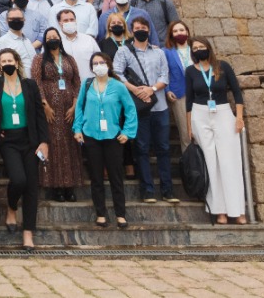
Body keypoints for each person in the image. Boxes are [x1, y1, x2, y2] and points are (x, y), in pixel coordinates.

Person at [0, 49, 48, 251]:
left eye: (10, 60)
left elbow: (40, 115)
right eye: (3, 60)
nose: (7, 63)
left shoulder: (30, 85)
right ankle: (12, 206)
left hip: (30, 139)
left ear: (16, 62)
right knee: (18, 179)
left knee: (31, 186)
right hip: (8, 141)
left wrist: (44, 142)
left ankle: (28, 233)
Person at [113, 13, 175, 203]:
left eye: (144, 29)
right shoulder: (124, 51)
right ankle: (147, 190)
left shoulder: (159, 52)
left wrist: (152, 89)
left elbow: (165, 76)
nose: (141, 31)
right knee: (141, 148)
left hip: (160, 106)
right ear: (131, 31)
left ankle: (168, 190)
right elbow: (116, 73)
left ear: (149, 31)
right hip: (139, 108)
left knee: (164, 148)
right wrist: (135, 90)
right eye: (137, 29)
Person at [185, 37, 247, 224]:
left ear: (209, 48)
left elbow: (236, 93)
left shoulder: (223, 67)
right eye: (195, 48)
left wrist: (239, 117)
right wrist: (189, 127)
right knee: (211, 163)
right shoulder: (190, 71)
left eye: (201, 47)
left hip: (222, 111)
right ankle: (219, 211)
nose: (198, 50)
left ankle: (238, 210)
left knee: (230, 161)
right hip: (200, 113)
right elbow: (189, 100)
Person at [73, 52, 138, 228]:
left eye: (102, 62)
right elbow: (79, 108)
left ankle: (120, 214)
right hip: (91, 135)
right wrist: (77, 129)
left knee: (116, 176)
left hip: (113, 136)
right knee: (96, 177)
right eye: (95, 63)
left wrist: (128, 132)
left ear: (108, 64)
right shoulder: (86, 85)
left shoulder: (118, 86)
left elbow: (130, 110)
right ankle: (100, 213)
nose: (99, 65)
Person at [32, 27, 80, 201]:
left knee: (69, 147)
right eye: (49, 37)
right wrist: (45, 105)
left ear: (60, 39)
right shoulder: (39, 59)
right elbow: (36, 83)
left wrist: (75, 105)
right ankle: (56, 187)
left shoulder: (69, 59)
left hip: (69, 110)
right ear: (45, 41)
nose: (53, 39)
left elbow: (77, 81)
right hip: (50, 111)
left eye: (55, 36)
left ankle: (70, 186)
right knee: (53, 146)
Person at [164, 19, 195, 149]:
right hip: (180, 94)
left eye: (181, 30)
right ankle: (191, 166)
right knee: (186, 133)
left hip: (199, 93)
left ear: (187, 31)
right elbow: (163, 72)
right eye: (175, 31)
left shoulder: (196, 47)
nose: (179, 33)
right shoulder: (166, 52)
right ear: (171, 35)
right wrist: (167, 90)